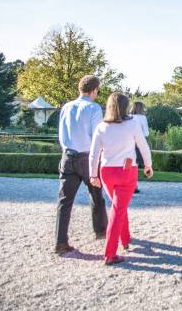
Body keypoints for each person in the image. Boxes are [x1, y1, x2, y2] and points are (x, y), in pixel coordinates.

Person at [89, 92, 154, 265]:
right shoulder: (132, 124)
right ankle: (110, 253)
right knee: (117, 210)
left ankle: (125, 239)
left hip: (107, 172)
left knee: (119, 206)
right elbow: (144, 147)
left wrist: (93, 174)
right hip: (126, 171)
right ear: (126, 107)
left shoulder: (101, 126)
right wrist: (148, 166)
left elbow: (94, 154)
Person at [55, 75, 108, 255]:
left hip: (68, 156)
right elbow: (96, 137)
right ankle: (100, 230)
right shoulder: (94, 108)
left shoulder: (66, 107)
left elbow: (61, 135)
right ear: (94, 90)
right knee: (96, 195)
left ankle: (60, 242)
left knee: (64, 201)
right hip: (87, 157)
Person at [129, 101, 149, 193]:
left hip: (127, 142)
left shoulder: (128, 117)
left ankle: (129, 185)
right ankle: (134, 186)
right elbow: (146, 133)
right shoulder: (142, 117)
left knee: (128, 164)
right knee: (135, 165)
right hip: (138, 142)